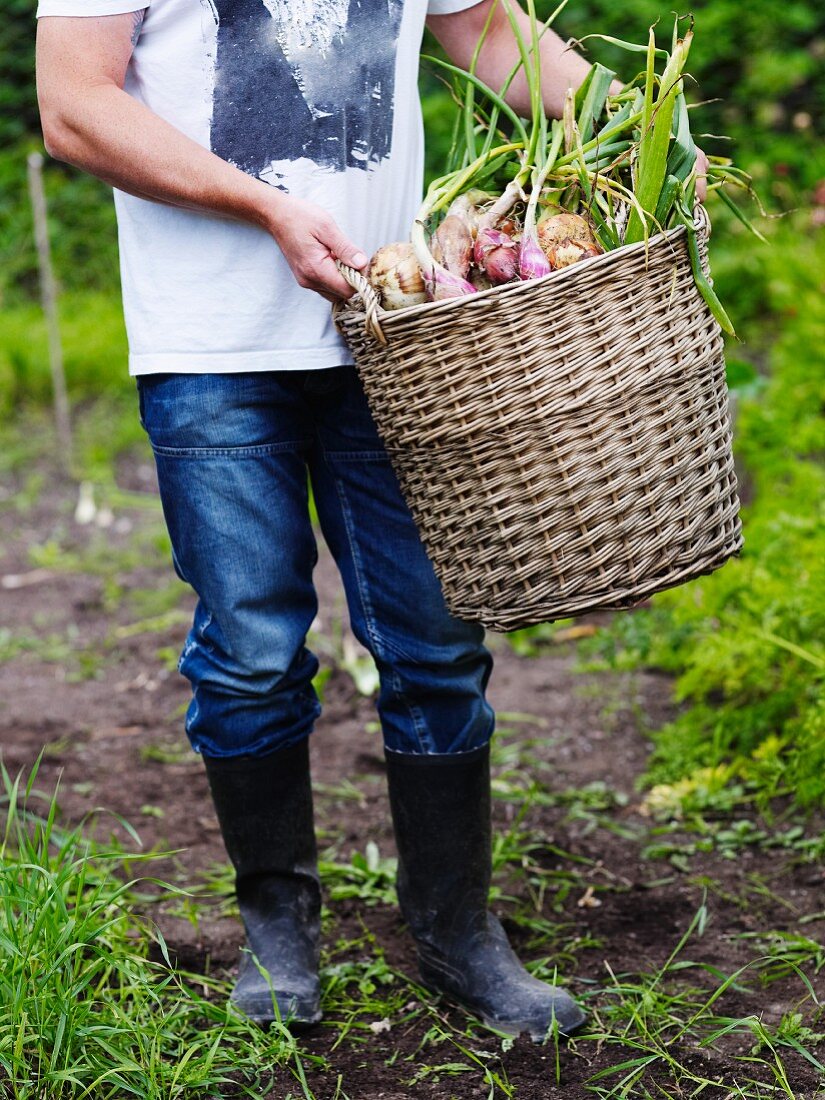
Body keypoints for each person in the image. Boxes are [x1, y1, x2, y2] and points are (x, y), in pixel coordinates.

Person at [35, 0, 705, 1041]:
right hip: (210, 345)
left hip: (402, 337)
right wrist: (264, 209)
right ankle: (278, 930)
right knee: (251, 651)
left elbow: (482, 24)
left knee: (437, 640)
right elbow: (74, 103)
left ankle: (456, 930)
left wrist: (639, 120)